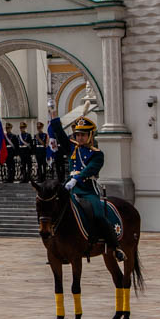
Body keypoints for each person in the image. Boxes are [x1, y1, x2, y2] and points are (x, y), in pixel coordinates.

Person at [47, 101, 124, 262]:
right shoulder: (72, 149)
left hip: (87, 190)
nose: (80, 137)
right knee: (53, 212)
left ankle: (114, 246)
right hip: (71, 189)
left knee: (98, 215)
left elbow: (91, 169)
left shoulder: (97, 154)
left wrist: (77, 178)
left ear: (90, 136)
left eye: (83, 134)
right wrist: (54, 117)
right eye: (77, 135)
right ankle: (56, 247)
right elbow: (60, 134)